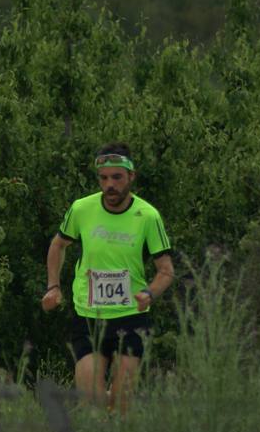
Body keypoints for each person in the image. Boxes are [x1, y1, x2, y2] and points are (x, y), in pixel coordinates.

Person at [40, 143, 175, 413]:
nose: (110, 185)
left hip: (131, 316)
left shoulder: (147, 216)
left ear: (131, 177)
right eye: (104, 178)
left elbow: (166, 271)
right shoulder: (81, 209)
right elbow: (58, 245)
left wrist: (149, 293)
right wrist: (53, 286)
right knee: (93, 405)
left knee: (121, 407)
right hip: (89, 316)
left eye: (117, 177)